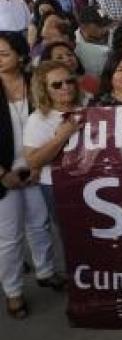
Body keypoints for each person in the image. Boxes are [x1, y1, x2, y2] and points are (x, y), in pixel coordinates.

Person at [0, 34, 64, 319]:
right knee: (10, 237)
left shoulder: (35, 82)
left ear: (21, 54)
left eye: (3, 53)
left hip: (39, 166)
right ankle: (13, 292)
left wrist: (38, 165)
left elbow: (52, 118)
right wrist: (3, 175)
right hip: (4, 174)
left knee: (40, 224)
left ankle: (46, 271)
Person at [23, 60, 85, 217]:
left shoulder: (87, 109)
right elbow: (32, 161)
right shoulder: (37, 119)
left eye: (69, 81)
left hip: (88, 180)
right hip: (56, 185)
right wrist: (62, 137)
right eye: (57, 85)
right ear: (44, 90)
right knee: (69, 234)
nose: (66, 87)